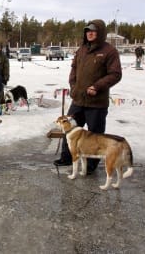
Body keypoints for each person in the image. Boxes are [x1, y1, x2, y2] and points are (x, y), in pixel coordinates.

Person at [53, 19, 122, 174]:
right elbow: (74, 69)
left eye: (93, 31)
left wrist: (97, 86)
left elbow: (115, 74)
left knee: (95, 135)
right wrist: (73, 87)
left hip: (97, 102)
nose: (90, 33)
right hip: (78, 99)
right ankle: (66, 157)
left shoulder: (109, 51)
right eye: (87, 31)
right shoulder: (82, 49)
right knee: (68, 129)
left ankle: (90, 165)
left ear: (100, 33)